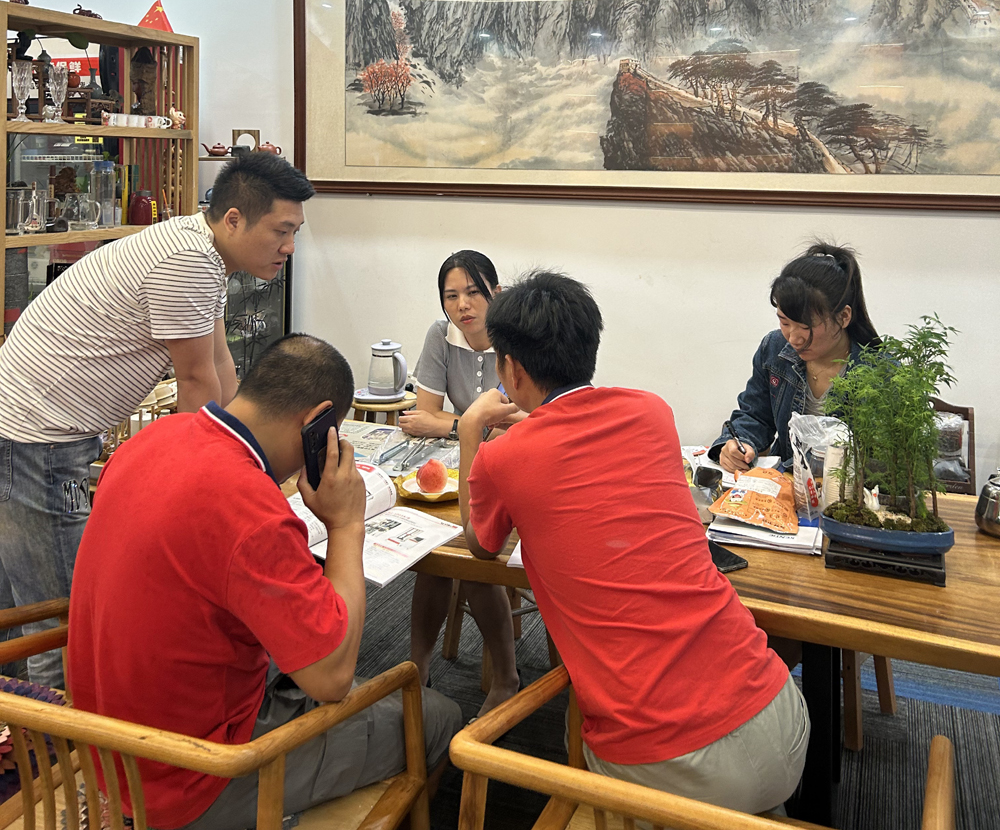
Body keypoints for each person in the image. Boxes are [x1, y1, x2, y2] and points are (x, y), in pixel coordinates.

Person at [67, 334, 462, 830]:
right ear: (317, 423)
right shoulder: (251, 509)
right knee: (439, 716)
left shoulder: (150, 440)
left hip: (104, 744)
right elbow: (331, 679)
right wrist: (346, 524)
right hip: (195, 775)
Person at [457, 271, 809, 818]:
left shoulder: (504, 457)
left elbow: (481, 546)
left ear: (512, 369)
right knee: (744, 801)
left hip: (669, 759)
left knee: (592, 755)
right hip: (780, 713)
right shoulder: (652, 411)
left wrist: (468, 435)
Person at [0, 151, 314, 685]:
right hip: (38, 440)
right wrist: (205, 492)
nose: (289, 247)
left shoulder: (202, 250)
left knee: (20, 605)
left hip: (34, 433)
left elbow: (220, 366)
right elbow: (196, 383)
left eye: (295, 233)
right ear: (233, 219)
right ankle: (57, 736)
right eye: (280, 231)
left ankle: (21, 727)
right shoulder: (188, 261)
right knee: (65, 621)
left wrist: (250, 464)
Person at [398, 251, 520, 713]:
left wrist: (455, 425)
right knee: (434, 551)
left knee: (470, 552)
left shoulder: (517, 337)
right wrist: (467, 427)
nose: (462, 305)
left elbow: (523, 424)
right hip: (457, 467)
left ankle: (505, 676)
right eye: (451, 296)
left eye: (473, 292)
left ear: (496, 293)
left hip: (510, 466)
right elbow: (421, 415)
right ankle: (418, 666)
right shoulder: (441, 334)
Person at [709, 242, 880, 473]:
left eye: (806, 327)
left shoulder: (879, 372)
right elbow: (756, 416)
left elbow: (880, 462)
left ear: (843, 317)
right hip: (783, 485)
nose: (793, 338)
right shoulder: (774, 348)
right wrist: (738, 443)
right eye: (784, 322)